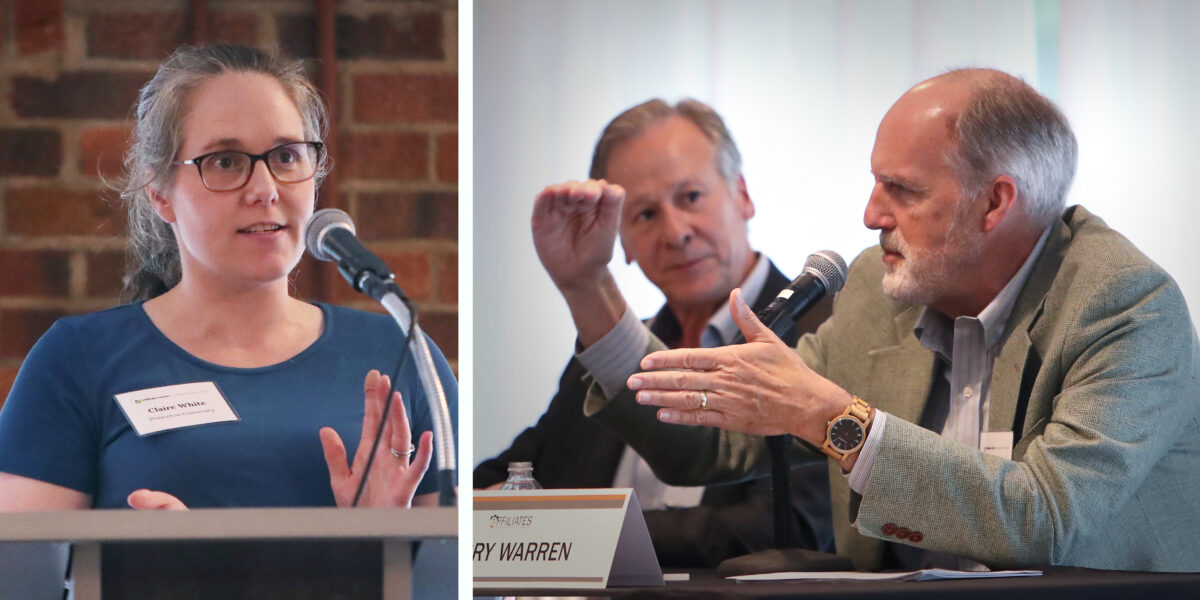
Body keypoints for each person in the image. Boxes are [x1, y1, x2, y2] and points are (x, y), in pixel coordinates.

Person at [539, 69, 1200, 572]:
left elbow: (1049, 520)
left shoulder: (1125, 305)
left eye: (902, 191)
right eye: (875, 183)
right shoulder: (873, 292)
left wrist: (836, 421)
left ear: (995, 202)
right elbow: (710, 447)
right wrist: (588, 285)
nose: (870, 214)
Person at [0, 44, 457, 511]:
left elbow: (460, 573)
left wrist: (383, 538)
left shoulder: (402, 353)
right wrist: (140, 567)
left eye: (286, 156)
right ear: (160, 193)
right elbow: (22, 571)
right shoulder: (77, 358)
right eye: (225, 162)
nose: (265, 190)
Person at [488, 99, 834, 567]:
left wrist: (575, 535)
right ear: (622, 242)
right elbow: (520, 472)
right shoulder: (610, 351)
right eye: (646, 215)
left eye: (691, 197)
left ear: (743, 195)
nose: (676, 233)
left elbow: (792, 528)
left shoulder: (826, 335)